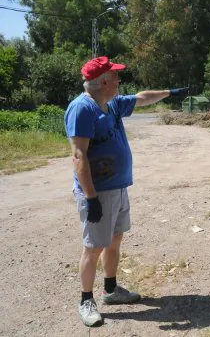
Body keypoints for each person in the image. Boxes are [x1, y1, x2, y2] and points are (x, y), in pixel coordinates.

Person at [64, 56, 189, 326]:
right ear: (104, 81)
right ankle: (86, 300)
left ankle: (110, 290)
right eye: (116, 76)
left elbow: (142, 98)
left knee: (115, 239)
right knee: (93, 247)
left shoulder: (111, 104)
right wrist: (91, 197)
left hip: (118, 188)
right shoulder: (82, 109)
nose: (120, 80)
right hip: (97, 193)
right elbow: (78, 156)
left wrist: (170, 92)